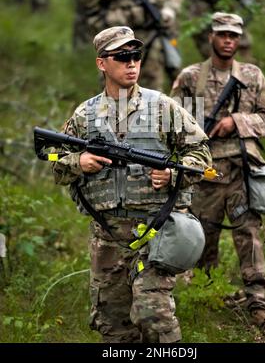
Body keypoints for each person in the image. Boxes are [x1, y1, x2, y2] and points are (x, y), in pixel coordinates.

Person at [52, 25, 212, 343]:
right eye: (123, 56)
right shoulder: (84, 115)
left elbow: (202, 154)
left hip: (156, 231)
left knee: (156, 318)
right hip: (107, 236)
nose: (132, 63)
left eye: (136, 55)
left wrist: (173, 175)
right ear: (102, 63)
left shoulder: (163, 107)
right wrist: (77, 163)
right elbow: (57, 163)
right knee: (113, 326)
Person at [171, 13, 265, 331]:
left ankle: (258, 301)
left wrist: (237, 122)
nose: (229, 40)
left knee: (250, 237)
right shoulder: (190, 77)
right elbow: (172, 122)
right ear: (211, 38)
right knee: (203, 239)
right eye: (222, 34)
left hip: (243, 170)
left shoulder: (252, 76)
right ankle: (206, 299)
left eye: (234, 35)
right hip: (206, 173)